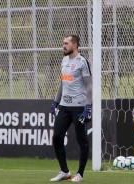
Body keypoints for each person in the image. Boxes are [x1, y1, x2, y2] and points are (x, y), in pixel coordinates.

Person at [50, 35, 92, 182]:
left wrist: (88, 107)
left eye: (66, 43)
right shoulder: (64, 60)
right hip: (64, 107)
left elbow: (89, 86)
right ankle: (65, 172)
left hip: (79, 107)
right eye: (63, 43)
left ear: (74, 45)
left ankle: (80, 174)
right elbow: (63, 83)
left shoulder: (82, 62)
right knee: (57, 137)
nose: (64, 46)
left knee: (82, 140)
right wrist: (55, 102)